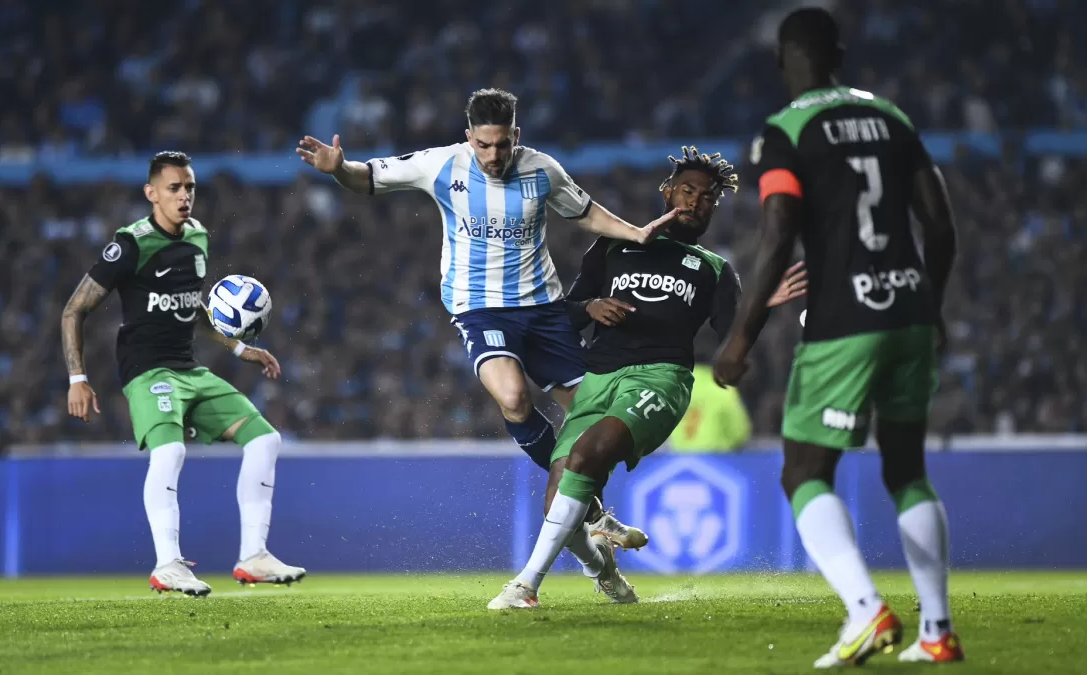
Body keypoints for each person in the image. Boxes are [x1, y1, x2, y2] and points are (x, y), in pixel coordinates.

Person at [297, 88, 675, 547]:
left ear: (516, 135)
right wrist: (339, 169)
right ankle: (593, 514)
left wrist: (635, 233)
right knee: (514, 398)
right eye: (483, 144)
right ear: (468, 137)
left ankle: (588, 514)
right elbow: (368, 177)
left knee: (594, 423)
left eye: (502, 144)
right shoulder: (441, 164)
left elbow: (585, 212)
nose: (493, 155)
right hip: (480, 307)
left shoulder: (542, 170)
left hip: (544, 309)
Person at [711, 7, 962, 667]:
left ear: (780, 60)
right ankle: (938, 631)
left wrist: (743, 332)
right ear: (839, 55)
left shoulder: (787, 129)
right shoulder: (893, 118)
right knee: (908, 469)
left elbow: (778, 229)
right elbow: (939, 225)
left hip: (843, 319)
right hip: (910, 308)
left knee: (803, 470)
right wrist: (929, 305)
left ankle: (864, 608)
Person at [488, 146, 806, 609]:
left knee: (587, 454)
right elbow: (564, 315)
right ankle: (607, 575)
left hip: (660, 379)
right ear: (667, 192)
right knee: (559, 495)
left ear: (715, 208)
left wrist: (758, 306)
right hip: (596, 377)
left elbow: (733, 338)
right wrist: (590, 307)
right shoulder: (613, 246)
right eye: (688, 190)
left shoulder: (716, 270)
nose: (696, 201)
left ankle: (526, 586)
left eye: (708, 197)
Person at [62, 151, 305, 596]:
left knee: (266, 439)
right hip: (147, 370)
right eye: (174, 188)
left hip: (189, 369)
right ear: (151, 193)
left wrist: (238, 347)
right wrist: (78, 378)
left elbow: (192, 308)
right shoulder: (131, 244)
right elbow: (74, 309)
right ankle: (167, 565)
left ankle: (254, 556)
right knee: (170, 454)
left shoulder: (197, 237)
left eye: (189, 187)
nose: (184, 196)